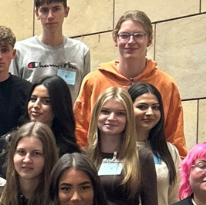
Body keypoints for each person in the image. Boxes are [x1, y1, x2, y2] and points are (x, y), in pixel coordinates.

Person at [75, 11, 187, 156]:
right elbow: (80, 131)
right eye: (124, 35)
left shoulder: (166, 84)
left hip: (153, 166)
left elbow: (174, 136)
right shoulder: (94, 81)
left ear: (150, 40)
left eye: (138, 35)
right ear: (115, 39)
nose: (131, 41)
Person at [84, 87, 157, 205]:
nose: (111, 118)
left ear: (128, 118)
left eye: (120, 113)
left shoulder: (142, 157)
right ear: (96, 115)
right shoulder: (83, 157)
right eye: (105, 111)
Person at [11, 0, 91, 91]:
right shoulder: (21, 50)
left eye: (56, 9)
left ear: (66, 11)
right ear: (37, 14)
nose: (50, 16)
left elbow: (85, 97)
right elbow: (14, 94)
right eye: (44, 10)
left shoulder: (81, 51)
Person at [0, 77, 81, 165]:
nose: (36, 105)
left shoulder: (68, 151)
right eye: (33, 99)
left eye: (46, 101)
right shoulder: (9, 141)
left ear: (59, 106)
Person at [128, 82, 180, 205]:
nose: (150, 113)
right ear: (127, 109)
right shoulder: (116, 148)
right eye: (142, 107)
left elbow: (175, 197)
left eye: (155, 107)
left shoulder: (169, 150)